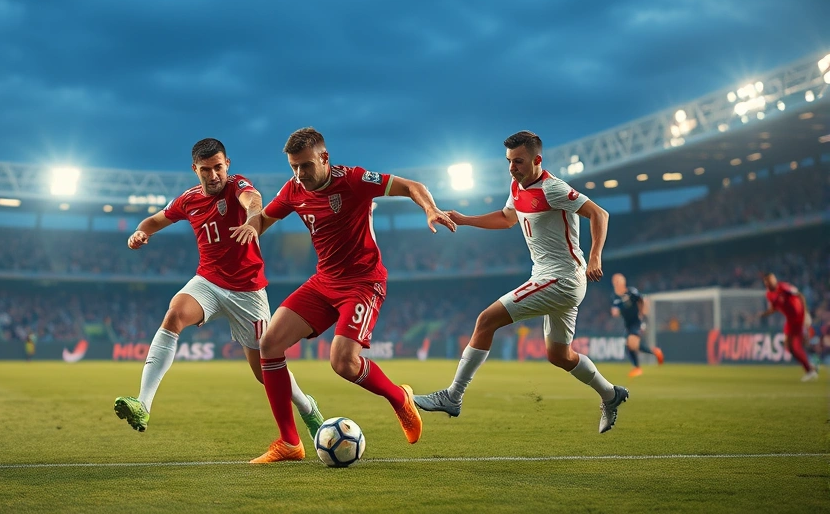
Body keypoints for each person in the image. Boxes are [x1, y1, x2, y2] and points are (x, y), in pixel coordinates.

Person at [248, 127, 457, 463]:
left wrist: (429, 209)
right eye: (293, 167)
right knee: (269, 345)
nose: (299, 174)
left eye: (305, 165)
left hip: (363, 282)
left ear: (324, 157)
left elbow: (412, 186)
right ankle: (289, 442)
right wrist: (247, 226)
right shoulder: (292, 190)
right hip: (323, 281)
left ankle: (399, 400)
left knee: (342, 362)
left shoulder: (356, 180)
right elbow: (262, 222)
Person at [413, 130, 629, 434]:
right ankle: (611, 394)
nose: (512, 167)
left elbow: (599, 214)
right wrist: (465, 219)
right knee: (559, 355)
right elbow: (506, 218)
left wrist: (595, 258)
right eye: (509, 161)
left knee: (486, 320)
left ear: (537, 160)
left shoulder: (553, 189)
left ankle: (453, 396)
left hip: (562, 278)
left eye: (519, 161)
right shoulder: (516, 186)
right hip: (547, 277)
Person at [113, 138, 324, 438]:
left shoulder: (237, 185)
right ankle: (143, 404)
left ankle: (307, 408)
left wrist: (253, 221)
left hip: (248, 291)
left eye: (218, 168)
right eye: (205, 170)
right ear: (194, 170)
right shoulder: (188, 200)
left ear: (227, 165)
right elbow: (155, 221)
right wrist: (139, 233)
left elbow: (254, 200)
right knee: (174, 314)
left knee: (264, 372)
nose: (213, 176)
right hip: (208, 282)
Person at [760, 273, 816, 381]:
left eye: (772, 279)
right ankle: (810, 366)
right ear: (765, 283)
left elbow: (800, 295)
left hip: (799, 317)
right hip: (790, 321)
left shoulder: (784, 287)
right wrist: (763, 314)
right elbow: (774, 308)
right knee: (789, 347)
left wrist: (806, 313)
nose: (771, 282)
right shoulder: (769, 295)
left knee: (795, 346)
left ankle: (810, 369)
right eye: (768, 281)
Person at [610, 274, 664, 377]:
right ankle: (654, 352)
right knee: (630, 346)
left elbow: (642, 300)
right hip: (628, 325)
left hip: (637, 322)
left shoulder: (631, 292)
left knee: (631, 342)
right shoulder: (615, 296)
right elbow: (614, 309)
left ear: (623, 282)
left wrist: (643, 311)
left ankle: (638, 368)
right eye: (615, 281)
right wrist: (615, 312)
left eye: (618, 281)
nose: (616, 283)